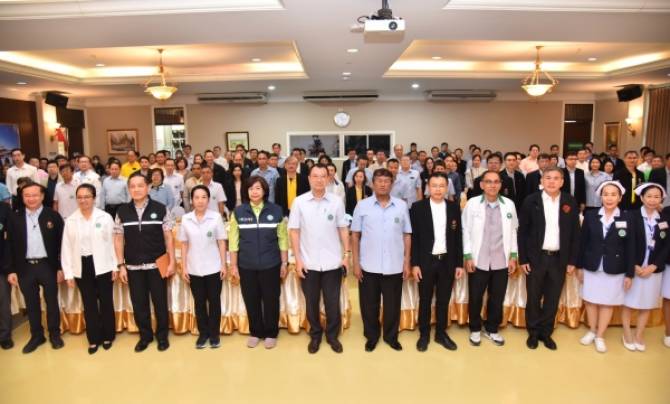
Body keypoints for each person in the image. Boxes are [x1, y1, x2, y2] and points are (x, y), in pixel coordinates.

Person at [289, 164, 350, 354]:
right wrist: (298, 260)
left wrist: (346, 255)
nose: (319, 180)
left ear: (328, 178)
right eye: (315, 176)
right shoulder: (299, 202)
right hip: (308, 263)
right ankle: (315, 335)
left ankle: (332, 336)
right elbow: (294, 231)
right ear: (309, 179)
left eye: (323, 176)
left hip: (333, 262)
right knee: (312, 302)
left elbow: (343, 229)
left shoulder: (336, 202)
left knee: (332, 302)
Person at [519, 167, 580, 350]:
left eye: (556, 178)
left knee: (552, 298)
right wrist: (523, 259)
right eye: (548, 178)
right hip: (536, 258)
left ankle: (546, 333)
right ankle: (533, 332)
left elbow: (575, 233)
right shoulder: (531, 200)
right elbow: (522, 232)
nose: (552, 181)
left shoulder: (569, 201)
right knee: (533, 297)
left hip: (559, 259)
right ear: (542, 181)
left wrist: (572, 261)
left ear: (562, 182)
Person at [114, 172, 176, 352]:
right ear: (129, 189)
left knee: (160, 302)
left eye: (140, 185)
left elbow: (168, 237)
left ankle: (162, 336)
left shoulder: (161, 208)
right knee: (139, 303)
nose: (136, 189)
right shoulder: (122, 211)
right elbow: (118, 239)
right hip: (133, 266)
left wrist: (172, 261)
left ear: (148, 187)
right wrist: (121, 265)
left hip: (157, 264)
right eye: (132, 186)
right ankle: (145, 336)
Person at [351, 168, 412, 352]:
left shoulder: (401, 206)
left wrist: (406, 261)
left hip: (394, 265)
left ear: (392, 184)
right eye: (379, 181)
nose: (383, 184)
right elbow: (355, 235)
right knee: (369, 304)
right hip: (368, 265)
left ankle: (391, 336)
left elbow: (407, 234)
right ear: (372, 184)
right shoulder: (362, 206)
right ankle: (372, 336)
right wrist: (356, 263)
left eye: (386, 181)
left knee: (392, 305)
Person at [228, 176, 288, 349]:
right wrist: (233, 265)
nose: (254, 192)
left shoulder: (276, 211)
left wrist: (284, 263)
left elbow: (283, 239)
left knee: (271, 300)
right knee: (251, 299)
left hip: (271, 264)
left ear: (264, 191)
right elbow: (233, 241)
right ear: (246, 191)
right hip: (246, 265)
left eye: (258, 188)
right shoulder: (238, 212)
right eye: (251, 188)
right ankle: (255, 332)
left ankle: (271, 333)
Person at [6, 181, 65, 354]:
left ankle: (54, 334)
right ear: (22, 197)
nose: (31, 198)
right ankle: (37, 336)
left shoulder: (53, 216)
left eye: (35, 195)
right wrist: (11, 270)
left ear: (42, 196)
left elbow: (62, 244)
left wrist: (60, 267)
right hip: (25, 267)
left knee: (52, 302)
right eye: (27, 195)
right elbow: (9, 245)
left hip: (48, 265)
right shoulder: (15, 217)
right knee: (31, 304)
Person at [462, 170, 518, 347]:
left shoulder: (509, 205)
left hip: (501, 259)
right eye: (488, 182)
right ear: (481, 185)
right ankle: (475, 328)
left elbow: (513, 232)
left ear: (501, 185)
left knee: (497, 297)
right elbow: (465, 231)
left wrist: (513, 256)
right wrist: (467, 255)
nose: (492, 185)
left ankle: (492, 329)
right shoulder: (472, 204)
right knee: (476, 296)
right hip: (478, 259)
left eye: (496, 182)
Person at [577, 180, 634, 353]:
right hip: (591, 264)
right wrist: (579, 266)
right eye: (606, 194)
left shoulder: (627, 218)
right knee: (591, 300)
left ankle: (600, 335)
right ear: (600, 197)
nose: (609, 198)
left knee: (607, 303)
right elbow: (582, 242)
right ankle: (592, 330)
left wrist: (630, 274)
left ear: (620, 197)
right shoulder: (590, 215)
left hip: (615, 267)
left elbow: (631, 247)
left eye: (613, 194)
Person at [61, 183, 118, 354]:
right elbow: (66, 248)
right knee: (89, 303)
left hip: (103, 265)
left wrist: (115, 266)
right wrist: (68, 273)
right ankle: (93, 339)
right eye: (80, 197)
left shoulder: (105, 217)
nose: (83, 200)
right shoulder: (71, 220)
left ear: (94, 198)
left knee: (106, 301)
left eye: (87, 197)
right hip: (82, 266)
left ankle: (108, 335)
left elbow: (113, 243)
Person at [410, 172, 463, 352]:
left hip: (447, 262)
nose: (438, 189)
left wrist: (459, 264)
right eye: (434, 186)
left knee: (443, 300)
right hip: (425, 262)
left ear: (447, 188)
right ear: (428, 187)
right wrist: (415, 264)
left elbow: (458, 237)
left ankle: (441, 333)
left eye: (442, 186)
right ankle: (424, 334)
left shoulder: (454, 207)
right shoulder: (418, 207)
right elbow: (414, 238)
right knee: (425, 299)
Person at [179, 185, 228, 349]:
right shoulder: (186, 219)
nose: (200, 201)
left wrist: (223, 265)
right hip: (194, 268)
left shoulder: (216, 217)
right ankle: (203, 334)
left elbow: (221, 242)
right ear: (192, 200)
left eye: (204, 197)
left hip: (214, 267)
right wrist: (184, 267)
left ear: (208, 199)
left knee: (214, 302)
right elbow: (184, 244)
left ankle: (214, 334)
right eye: (196, 197)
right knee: (199, 303)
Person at [622, 183, 668, 351]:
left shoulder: (663, 219)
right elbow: (626, 243)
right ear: (641, 197)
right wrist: (633, 265)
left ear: (661, 199)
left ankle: (639, 334)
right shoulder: (631, 216)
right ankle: (627, 332)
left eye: (657, 197)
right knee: (628, 302)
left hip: (652, 270)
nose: (652, 200)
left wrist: (654, 266)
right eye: (649, 196)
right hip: (634, 268)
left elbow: (667, 246)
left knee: (647, 303)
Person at [0, 200, 13, 349]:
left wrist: (10, 267)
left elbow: (10, 238)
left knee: (3, 302)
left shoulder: (4, 208)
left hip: (2, 266)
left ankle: (4, 336)